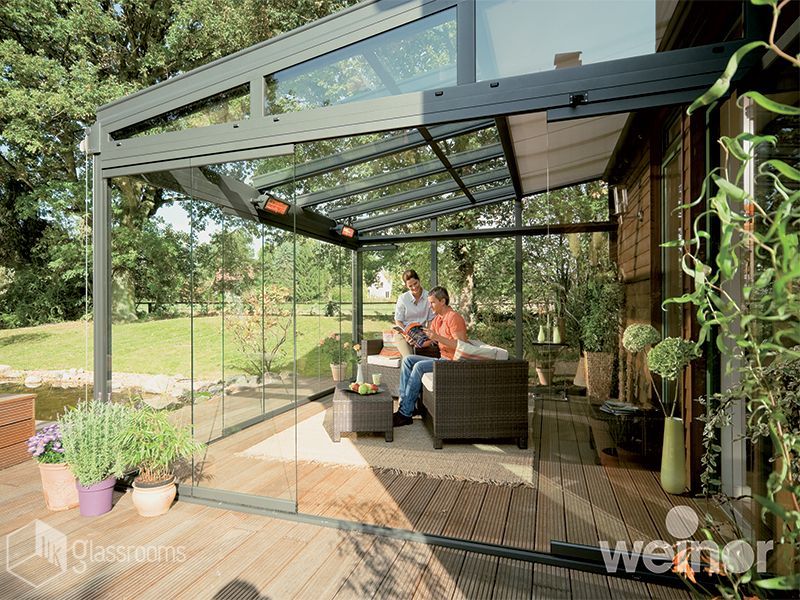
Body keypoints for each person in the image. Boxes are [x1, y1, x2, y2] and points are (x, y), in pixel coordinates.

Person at [393, 286, 468, 427]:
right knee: (408, 359)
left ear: (443, 301)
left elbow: (462, 345)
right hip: (442, 359)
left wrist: (437, 337)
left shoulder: (454, 318)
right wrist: (415, 342)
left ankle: (405, 414)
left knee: (419, 366)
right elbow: (431, 340)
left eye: (432, 302)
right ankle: (405, 407)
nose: (429, 306)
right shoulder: (438, 319)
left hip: (455, 363)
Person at [393, 269, 435, 358]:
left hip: (421, 334)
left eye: (415, 283)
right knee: (409, 358)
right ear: (406, 286)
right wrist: (406, 336)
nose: (414, 287)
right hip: (404, 334)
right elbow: (398, 321)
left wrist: (427, 336)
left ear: (419, 280)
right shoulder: (403, 299)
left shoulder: (429, 297)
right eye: (410, 286)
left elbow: (431, 320)